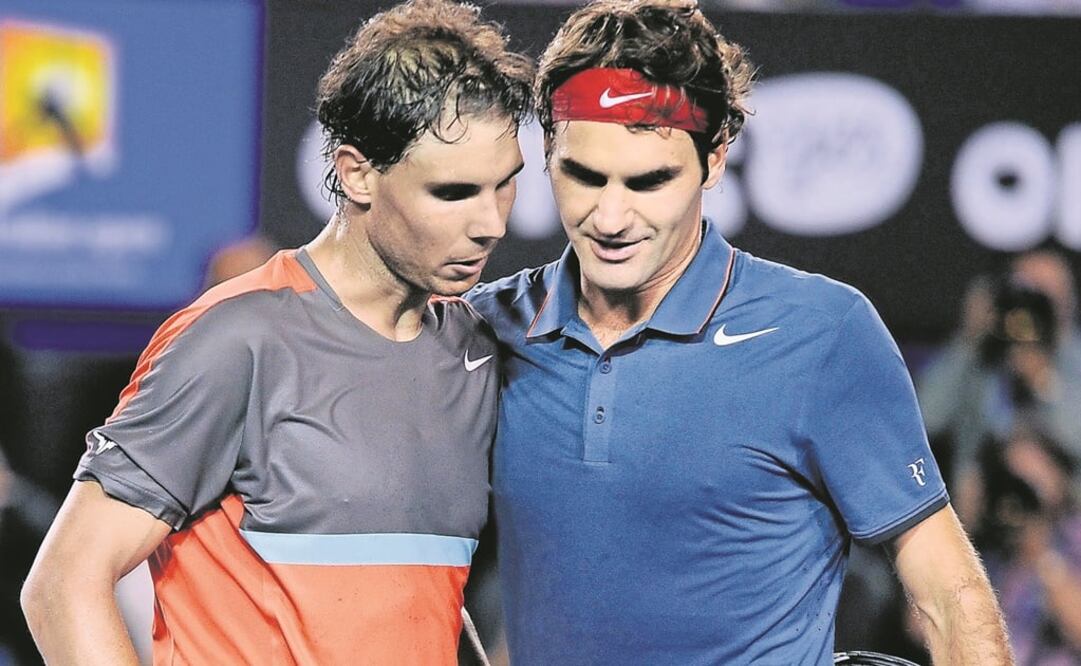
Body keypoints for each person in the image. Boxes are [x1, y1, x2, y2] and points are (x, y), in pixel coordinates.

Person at [466, 1, 1012, 663]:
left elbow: (948, 597)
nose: (609, 216)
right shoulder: (485, 329)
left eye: (649, 181)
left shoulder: (822, 333)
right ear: (546, 151)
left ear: (714, 159)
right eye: (583, 175)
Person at [21, 1, 531, 663]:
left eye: (505, 186)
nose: (490, 223)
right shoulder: (238, 339)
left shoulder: (472, 349)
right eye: (454, 192)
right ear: (355, 173)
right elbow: (62, 583)